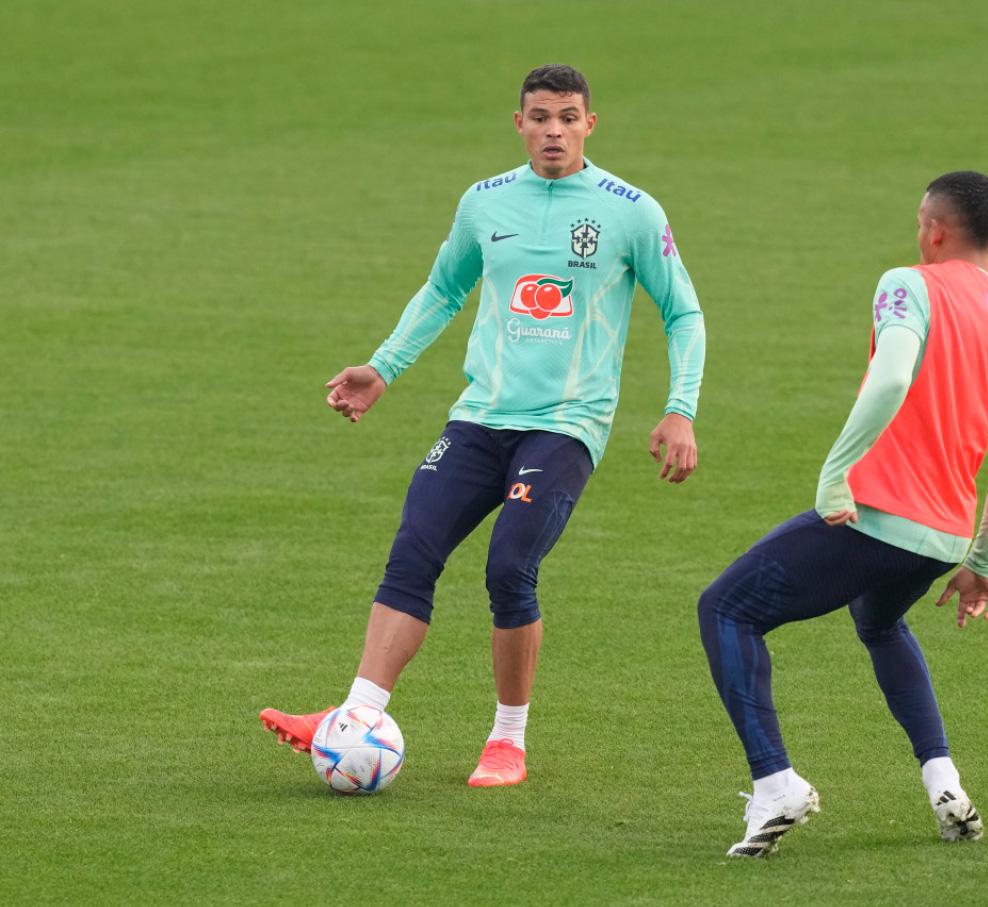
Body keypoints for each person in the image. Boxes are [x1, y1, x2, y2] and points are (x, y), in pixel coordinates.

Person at [260, 64, 705, 788]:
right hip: (479, 416)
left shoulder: (630, 211)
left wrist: (681, 406)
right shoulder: (483, 202)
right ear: (519, 123)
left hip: (565, 427)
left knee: (509, 567)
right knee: (413, 550)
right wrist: (382, 368)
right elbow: (444, 289)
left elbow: (682, 311)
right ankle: (356, 714)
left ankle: (508, 740)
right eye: (540, 117)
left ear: (590, 124)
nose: (554, 131)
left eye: (568, 117)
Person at [698, 171, 988, 856]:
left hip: (877, 515)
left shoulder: (909, 284)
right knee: (879, 621)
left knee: (726, 610)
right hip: (943, 537)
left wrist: (836, 473)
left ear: (934, 229)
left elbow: (892, 376)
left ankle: (776, 783)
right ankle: (945, 785)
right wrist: (982, 560)